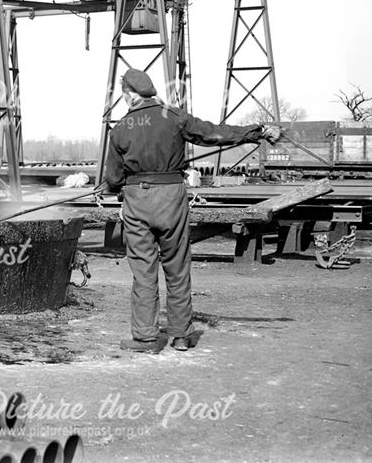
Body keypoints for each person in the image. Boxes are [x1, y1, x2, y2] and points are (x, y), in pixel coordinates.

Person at [103, 69, 280, 353]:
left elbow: (113, 179)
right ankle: (182, 335)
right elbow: (214, 134)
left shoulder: (120, 129)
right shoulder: (174, 117)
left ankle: (146, 338)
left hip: (137, 202)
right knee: (177, 267)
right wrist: (255, 132)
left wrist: (118, 188)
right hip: (172, 198)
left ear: (130, 95)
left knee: (143, 273)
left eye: (124, 95)